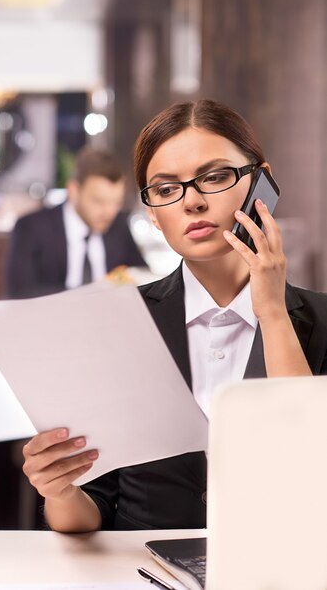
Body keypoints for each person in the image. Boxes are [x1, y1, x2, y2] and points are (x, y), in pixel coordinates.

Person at [22, 99, 327, 531]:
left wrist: (273, 313)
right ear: (152, 213)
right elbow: (93, 511)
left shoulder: (322, 321)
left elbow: (312, 473)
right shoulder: (119, 324)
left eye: (215, 176)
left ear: (263, 181)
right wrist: (60, 491)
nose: (193, 202)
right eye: (166, 189)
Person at [5, 146, 147, 298]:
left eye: (116, 202)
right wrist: (95, 292)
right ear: (73, 191)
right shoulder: (32, 227)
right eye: (98, 201)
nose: (109, 212)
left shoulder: (118, 225)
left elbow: (140, 273)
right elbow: (20, 293)